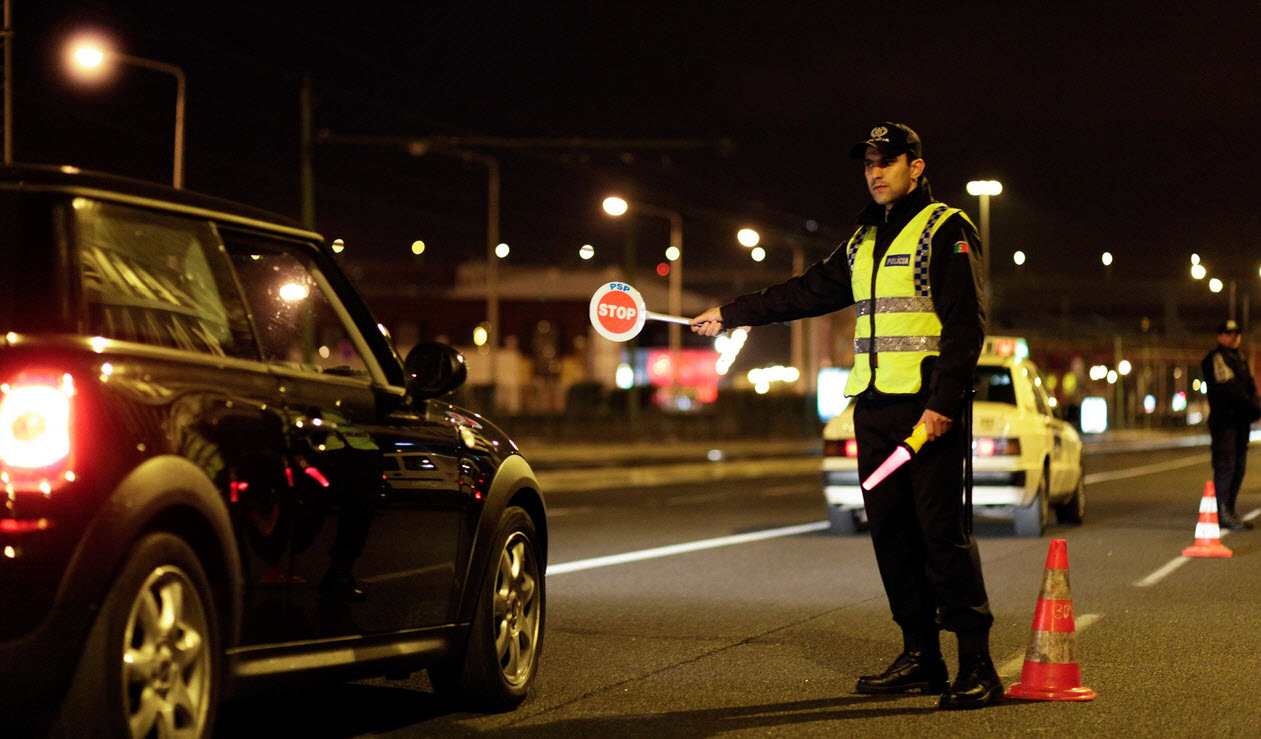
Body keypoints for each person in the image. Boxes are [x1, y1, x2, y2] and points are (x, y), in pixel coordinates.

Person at [692, 122, 1000, 709]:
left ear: (917, 166)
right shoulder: (862, 239)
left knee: (942, 535)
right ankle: (921, 657)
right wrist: (732, 314)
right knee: (891, 533)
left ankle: (978, 665)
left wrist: (943, 403)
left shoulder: (948, 228)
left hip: (924, 413)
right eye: (868, 163)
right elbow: (806, 292)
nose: (876, 171)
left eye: (887, 160)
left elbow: (966, 323)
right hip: (876, 409)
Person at [1201, 319, 1260, 531]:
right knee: (1226, 466)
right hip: (1224, 422)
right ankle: (1223, 512)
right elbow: (1229, 390)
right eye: (1228, 333)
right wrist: (1255, 407)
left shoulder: (1240, 359)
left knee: (1239, 468)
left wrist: (1254, 407)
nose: (1233, 337)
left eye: (1236, 333)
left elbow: (1250, 388)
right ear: (1220, 336)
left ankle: (1231, 510)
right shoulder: (1216, 359)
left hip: (1240, 422)